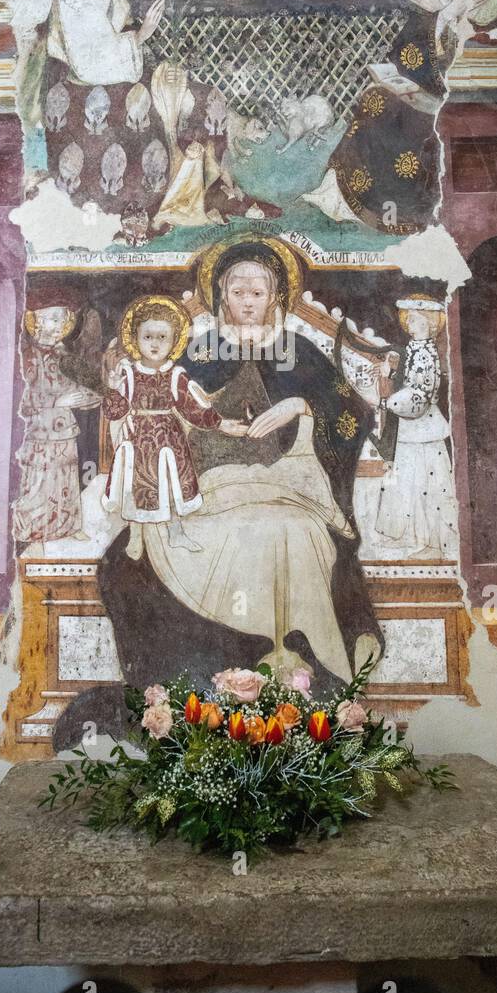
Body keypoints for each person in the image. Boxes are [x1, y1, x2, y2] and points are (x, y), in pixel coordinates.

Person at [98, 236, 380, 688]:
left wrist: (300, 407)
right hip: (206, 484)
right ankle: (206, 674)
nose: (247, 302)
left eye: (258, 292)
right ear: (220, 295)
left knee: (293, 532)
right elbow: (157, 410)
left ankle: (302, 670)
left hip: (292, 484)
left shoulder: (299, 351)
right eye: (237, 291)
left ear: (275, 297)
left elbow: (354, 413)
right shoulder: (196, 351)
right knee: (152, 552)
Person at [101, 296, 247, 557]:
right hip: (136, 439)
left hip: (168, 439)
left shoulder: (176, 375)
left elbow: (193, 407)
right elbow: (116, 411)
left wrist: (220, 423)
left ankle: (176, 533)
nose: (155, 344)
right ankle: (136, 536)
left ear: (174, 341)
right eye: (148, 336)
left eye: (162, 337)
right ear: (136, 339)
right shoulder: (129, 374)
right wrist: (112, 391)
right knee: (134, 487)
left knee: (171, 484)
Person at [374, 295, 459, 559]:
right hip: (410, 428)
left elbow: (418, 397)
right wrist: (388, 375)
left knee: (425, 484)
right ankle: (408, 537)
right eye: (409, 320)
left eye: (416, 321)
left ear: (429, 324)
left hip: (422, 426)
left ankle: (430, 543)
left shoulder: (425, 352)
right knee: (407, 482)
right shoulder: (414, 348)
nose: (410, 325)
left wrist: (386, 403)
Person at [13, 305, 101, 547]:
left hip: (64, 428)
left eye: (62, 320)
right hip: (41, 430)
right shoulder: (28, 355)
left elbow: (75, 388)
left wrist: (91, 397)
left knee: (67, 477)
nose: (59, 325)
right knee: (42, 480)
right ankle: (35, 529)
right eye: (53, 319)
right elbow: (24, 396)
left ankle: (68, 527)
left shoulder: (60, 356)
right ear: (36, 322)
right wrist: (58, 401)